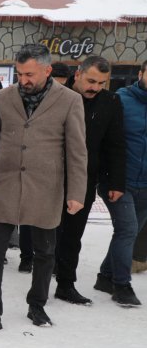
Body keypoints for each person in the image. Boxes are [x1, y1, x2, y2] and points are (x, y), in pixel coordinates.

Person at [0, 44, 87, 335]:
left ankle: (37, 304)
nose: (24, 79)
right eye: (20, 73)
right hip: (5, 183)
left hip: (46, 187)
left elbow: (77, 151)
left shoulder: (70, 100)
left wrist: (76, 192)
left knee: (45, 251)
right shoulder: (3, 96)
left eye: (30, 74)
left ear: (47, 70)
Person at [54, 56, 125, 305]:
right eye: (91, 80)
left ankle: (65, 284)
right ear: (78, 75)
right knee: (47, 233)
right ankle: (40, 281)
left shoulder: (110, 102)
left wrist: (116, 182)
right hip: (50, 176)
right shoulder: (57, 96)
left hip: (83, 178)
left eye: (102, 83)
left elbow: (115, 145)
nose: (95, 87)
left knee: (73, 234)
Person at [94, 59, 147, 307]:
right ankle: (121, 285)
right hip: (119, 181)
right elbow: (107, 142)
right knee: (127, 230)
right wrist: (107, 178)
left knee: (130, 231)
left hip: (146, 184)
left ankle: (105, 277)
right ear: (140, 73)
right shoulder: (120, 99)